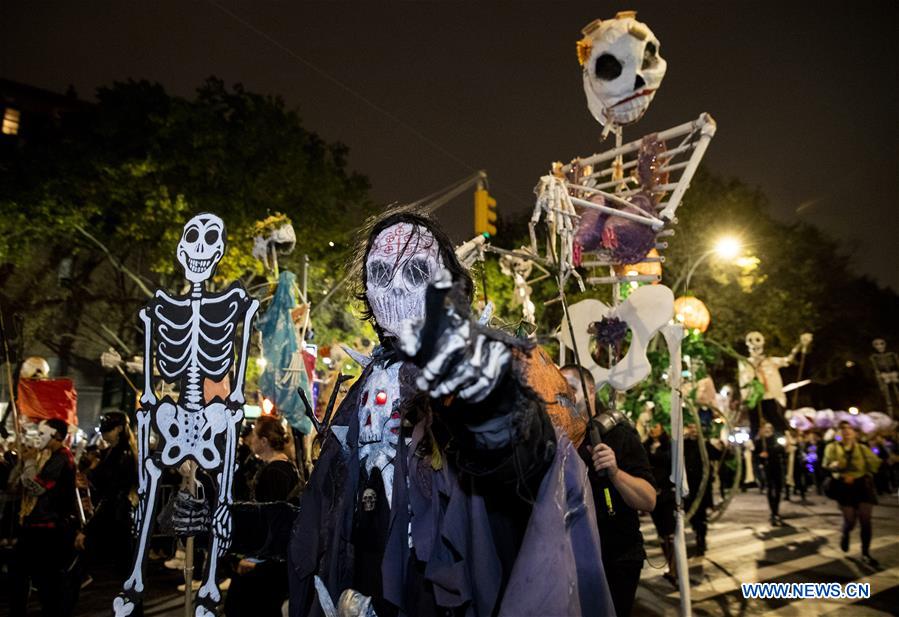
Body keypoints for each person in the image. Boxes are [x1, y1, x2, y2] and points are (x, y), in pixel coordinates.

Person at [289, 210, 613, 617]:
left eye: (416, 271)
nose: (397, 288)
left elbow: (520, 457)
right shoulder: (364, 388)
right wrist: (240, 524)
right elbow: (322, 517)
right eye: (381, 273)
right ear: (367, 290)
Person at [560, 364, 656, 617]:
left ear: (591, 391)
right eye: (559, 390)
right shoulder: (558, 436)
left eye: (570, 388)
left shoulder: (619, 433)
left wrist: (614, 472)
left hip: (617, 558)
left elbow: (648, 499)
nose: (564, 396)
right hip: (572, 557)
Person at [225, 415, 300, 616]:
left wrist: (253, 559)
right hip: (271, 562)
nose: (250, 440)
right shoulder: (283, 467)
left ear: (264, 441)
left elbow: (272, 522)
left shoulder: (275, 472)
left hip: (265, 566)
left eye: (255, 436)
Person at [10, 418, 80, 617]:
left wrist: (30, 462)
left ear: (56, 436)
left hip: (48, 528)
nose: (38, 438)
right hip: (37, 525)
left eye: (42, 434)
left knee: (45, 579)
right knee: (22, 573)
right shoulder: (49, 456)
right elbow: (16, 485)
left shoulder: (61, 458)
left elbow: (36, 487)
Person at [76, 411, 138, 572]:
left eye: (108, 430)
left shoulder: (122, 455)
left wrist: (88, 528)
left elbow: (112, 491)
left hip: (114, 512)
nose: (104, 433)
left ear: (118, 429)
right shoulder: (111, 452)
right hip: (112, 511)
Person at [823, 421, 882, 566]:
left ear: (855, 433)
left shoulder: (862, 448)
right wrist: (835, 468)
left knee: (865, 520)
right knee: (850, 520)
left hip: (862, 486)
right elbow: (826, 464)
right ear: (839, 433)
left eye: (850, 429)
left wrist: (882, 452)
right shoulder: (832, 448)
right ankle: (846, 533)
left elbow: (875, 464)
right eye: (843, 429)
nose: (847, 431)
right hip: (844, 487)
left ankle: (865, 553)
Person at [644, 421, 677, 585]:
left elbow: (671, 467)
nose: (652, 429)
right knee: (662, 535)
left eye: (655, 426)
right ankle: (671, 567)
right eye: (650, 426)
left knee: (670, 534)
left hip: (666, 494)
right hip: (653, 495)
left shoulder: (669, 446)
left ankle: (675, 569)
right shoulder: (645, 445)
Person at [683, 422, 721, 555]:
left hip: (702, 486)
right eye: (691, 428)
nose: (694, 430)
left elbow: (718, 455)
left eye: (696, 428)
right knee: (691, 512)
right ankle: (696, 529)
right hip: (688, 486)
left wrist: (725, 448)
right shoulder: (684, 444)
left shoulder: (705, 444)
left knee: (701, 514)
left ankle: (701, 538)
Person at [754, 423, 786, 526]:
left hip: (777, 466)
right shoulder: (760, 440)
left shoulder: (776, 438)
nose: (767, 429)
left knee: (777, 489)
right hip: (767, 467)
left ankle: (776, 510)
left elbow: (782, 451)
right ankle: (773, 511)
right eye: (765, 428)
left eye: (769, 428)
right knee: (770, 488)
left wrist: (771, 452)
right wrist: (760, 455)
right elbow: (756, 453)